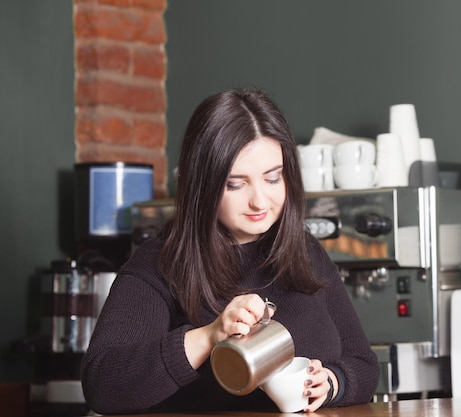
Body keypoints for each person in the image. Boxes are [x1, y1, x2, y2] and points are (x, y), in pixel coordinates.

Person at [81, 89, 380, 414]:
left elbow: (363, 364)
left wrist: (333, 383)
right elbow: (103, 385)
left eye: (272, 178)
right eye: (236, 184)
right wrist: (209, 337)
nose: (260, 201)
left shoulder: (305, 253)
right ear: (203, 185)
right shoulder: (159, 264)